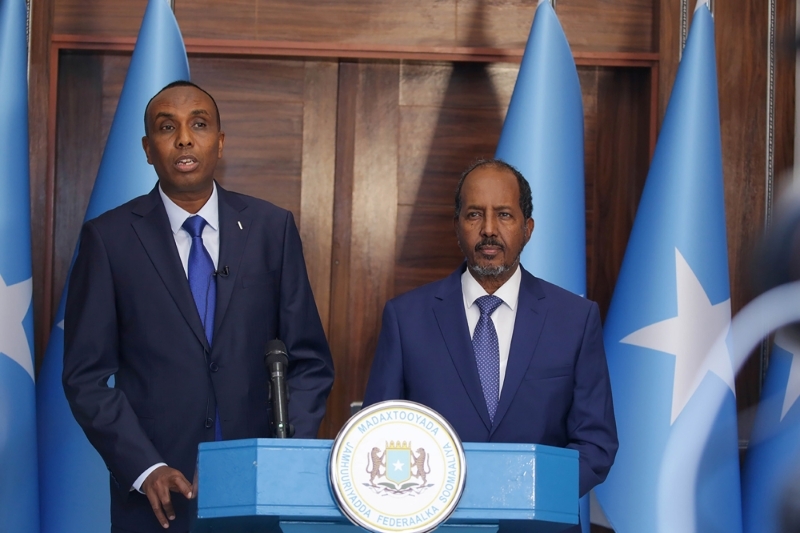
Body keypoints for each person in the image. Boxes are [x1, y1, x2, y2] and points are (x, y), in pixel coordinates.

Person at [63, 81, 334, 533]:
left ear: (220, 142)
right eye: (167, 127)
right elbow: (84, 377)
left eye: (199, 125)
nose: (185, 138)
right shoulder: (108, 240)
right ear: (148, 149)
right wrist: (145, 467)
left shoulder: (271, 229)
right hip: (154, 502)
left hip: (254, 492)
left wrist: (277, 458)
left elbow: (309, 362)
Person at [363, 159, 618, 502]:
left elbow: (595, 444)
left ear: (527, 228)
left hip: (537, 524)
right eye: (474, 214)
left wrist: (524, 496)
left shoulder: (575, 319)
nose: (488, 229)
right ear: (456, 226)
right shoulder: (406, 318)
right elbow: (378, 435)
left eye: (504, 214)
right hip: (439, 523)